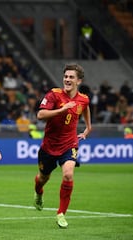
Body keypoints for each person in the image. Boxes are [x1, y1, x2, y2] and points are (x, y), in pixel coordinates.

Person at [33, 63, 92, 228]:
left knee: (68, 174)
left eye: (71, 77)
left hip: (69, 144)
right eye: (65, 76)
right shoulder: (54, 94)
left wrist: (88, 128)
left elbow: (85, 108)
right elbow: (40, 115)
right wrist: (62, 109)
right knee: (43, 178)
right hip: (49, 147)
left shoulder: (83, 99)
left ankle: (61, 213)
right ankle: (38, 193)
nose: (67, 79)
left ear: (78, 81)